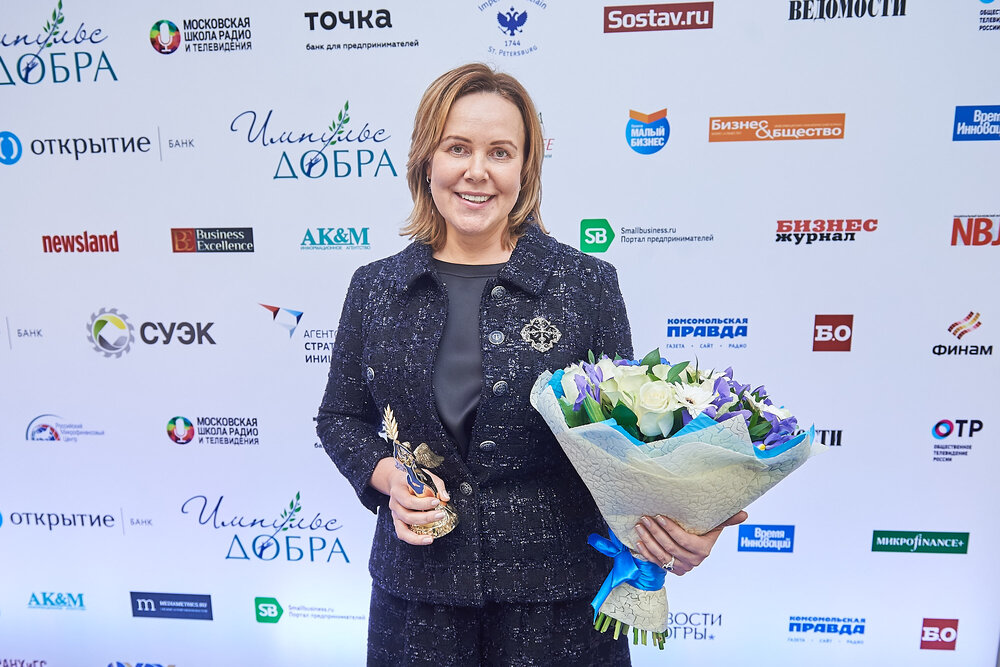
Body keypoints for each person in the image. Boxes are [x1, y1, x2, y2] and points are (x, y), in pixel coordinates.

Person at [316, 63, 746, 666]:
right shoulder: (374, 288)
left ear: (525, 168)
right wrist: (388, 477)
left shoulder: (586, 284)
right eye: (457, 148)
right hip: (417, 599)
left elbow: (630, 438)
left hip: (559, 604)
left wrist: (691, 517)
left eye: (500, 152)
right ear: (425, 160)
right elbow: (340, 417)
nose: (477, 170)